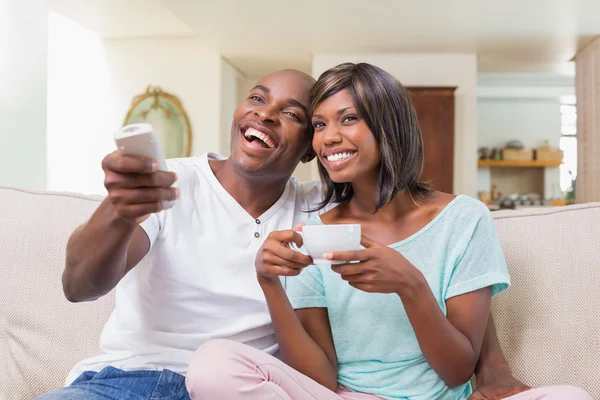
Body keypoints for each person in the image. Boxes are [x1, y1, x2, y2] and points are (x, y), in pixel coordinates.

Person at [36, 67, 560, 400]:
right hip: (128, 380)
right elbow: (79, 285)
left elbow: (440, 246)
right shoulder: (173, 181)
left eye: (292, 114)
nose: (264, 113)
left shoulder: (321, 212)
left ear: (307, 151)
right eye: (257, 98)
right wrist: (119, 209)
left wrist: (491, 366)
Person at [184, 63, 593, 400]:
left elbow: (455, 371)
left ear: (388, 126)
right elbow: (319, 380)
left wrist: (410, 284)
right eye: (320, 124)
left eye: (348, 119)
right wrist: (270, 284)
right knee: (214, 364)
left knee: (571, 397)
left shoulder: (464, 219)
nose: (329, 137)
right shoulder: (315, 234)